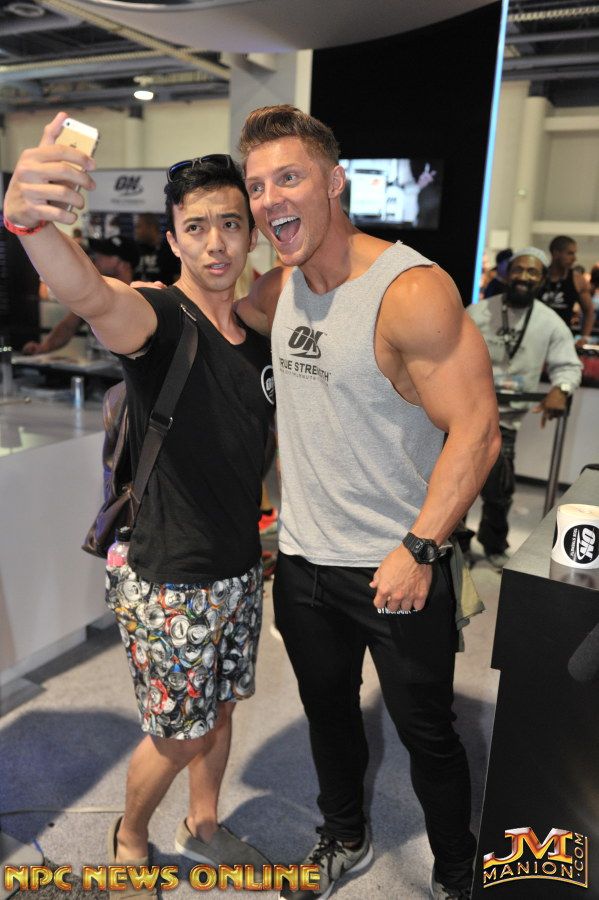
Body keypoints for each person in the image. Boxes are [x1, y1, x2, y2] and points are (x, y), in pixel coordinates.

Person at [235, 105, 500, 900]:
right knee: (327, 716)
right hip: (303, 563)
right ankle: (345, 835)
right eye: (257, 185)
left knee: (427, 734)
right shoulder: (277, 288)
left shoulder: (408, 291)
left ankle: (455, 870)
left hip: (396, 563)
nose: (271, 199)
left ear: (334, 181)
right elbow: (224, 317)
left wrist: (419, 548)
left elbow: (477, 431)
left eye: (288, 177)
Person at [3, 113, 273, 890]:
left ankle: (204, 824)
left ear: (249, 233)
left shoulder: (254, 331)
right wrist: (28, 223)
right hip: (168, 572)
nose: (216, 243)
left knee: (223, 710)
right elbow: (89, 292)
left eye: (230, 224)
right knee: (179, 734)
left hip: (238, 565)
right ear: (175, 238)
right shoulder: (157, 315)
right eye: (198, 227)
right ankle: (129, 835)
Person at [467, 247, 582, 570]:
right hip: (465, 415)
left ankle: (493, 543)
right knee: (454, 483)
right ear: (507, 274)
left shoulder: (550, 322)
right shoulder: (478, 312)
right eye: (518, 269)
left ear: (542, 280)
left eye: (533, 272)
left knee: (499, 489)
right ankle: (455, 545)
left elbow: (568, 365)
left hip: (505, 421)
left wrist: (561, 389)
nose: (524, 277)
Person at [22, 235, 139, 354]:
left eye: (106, 254)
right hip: (100, 363)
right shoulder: (97, 294)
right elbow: (68, 326)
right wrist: (43, 347)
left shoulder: (139, 297)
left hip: (126, 364)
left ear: (123, 263)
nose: (97, 257)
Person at [540, 235, 594, 347]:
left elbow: (589, 310)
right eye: (570, 253)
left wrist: (584, 337)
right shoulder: (539, 277)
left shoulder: (577, 280)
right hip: (536, 337)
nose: (574, 258)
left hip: (562, 341)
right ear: (556, 253)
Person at [134, 211, 181, 285]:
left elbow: (177, 278)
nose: (136, 231)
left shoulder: (170, 250)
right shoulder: (135, 249)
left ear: (151, 227)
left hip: (163, 291)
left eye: (139, 226)